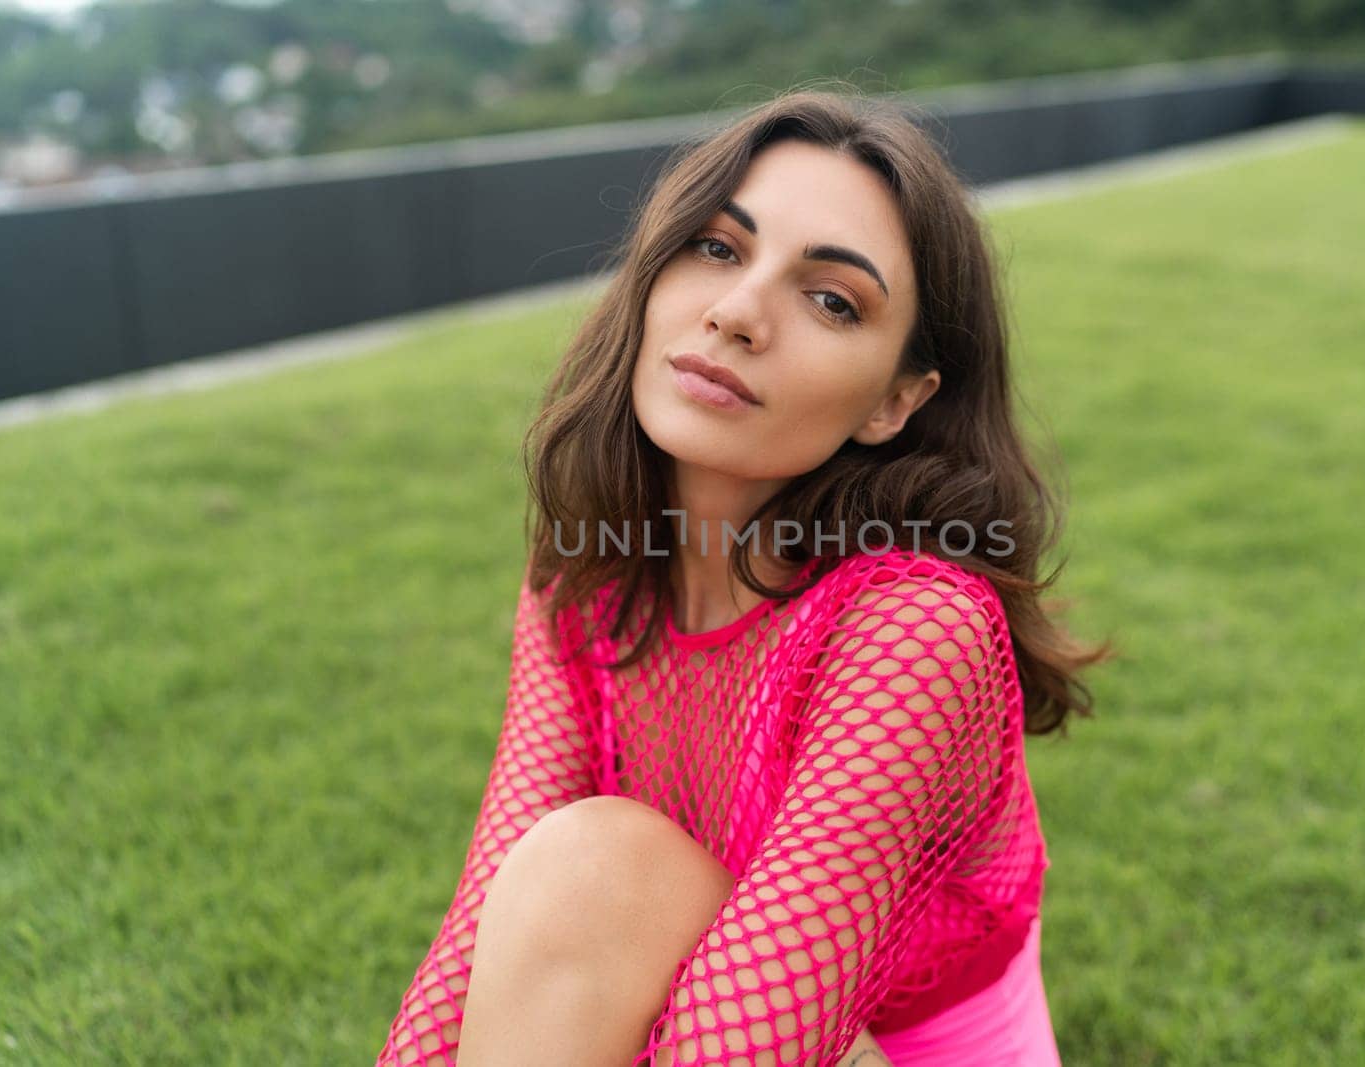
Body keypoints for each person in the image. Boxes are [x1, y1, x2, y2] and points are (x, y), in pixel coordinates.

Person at [376, 84, 1113, 1066]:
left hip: (883, 1039)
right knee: (567, 870)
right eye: (717, 248)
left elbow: (742, 1043)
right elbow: (479, 930)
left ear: (894, 400)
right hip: (669, 968)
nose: (735, 313)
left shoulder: (916, 624)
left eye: (830, 299)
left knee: (594, 869)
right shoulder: (590, 565)